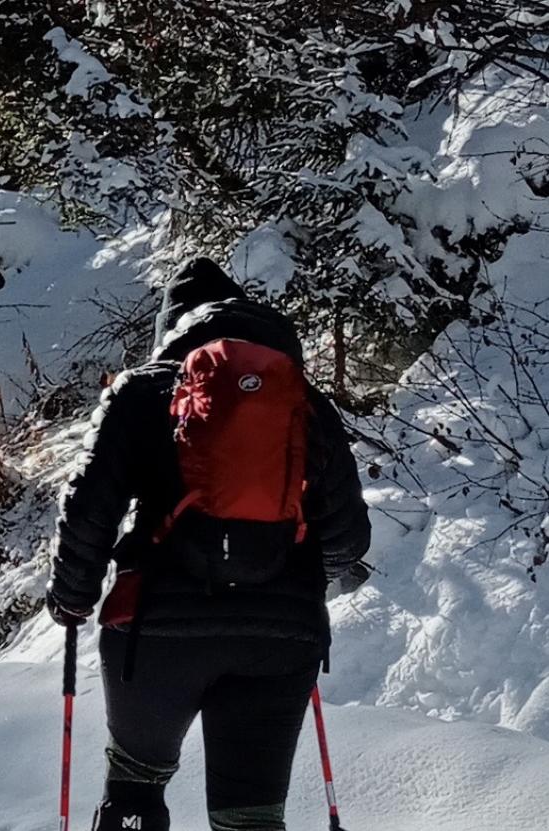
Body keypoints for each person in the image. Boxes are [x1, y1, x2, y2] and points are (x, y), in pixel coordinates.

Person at [46, 257, 373, 831]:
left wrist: (72, 597)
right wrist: (301, 580)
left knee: (135, 787)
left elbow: (89, 506)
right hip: (279, 641)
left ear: (172, 329)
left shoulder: (142, 391)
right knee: (249, 817)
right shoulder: (303, 402)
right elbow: (347, 539)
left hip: (155, 634)